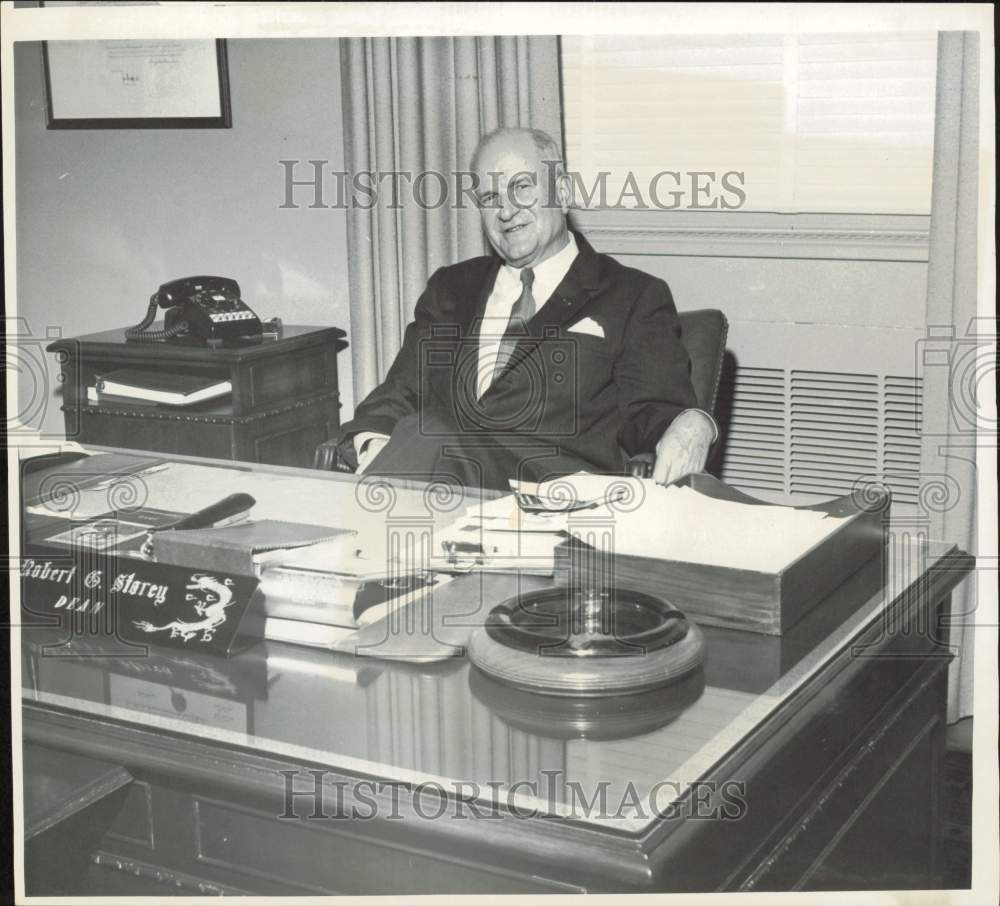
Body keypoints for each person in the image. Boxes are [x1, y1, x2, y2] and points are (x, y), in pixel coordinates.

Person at [329, 127, 716, 492]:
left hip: (555, 502)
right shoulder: (451, 289)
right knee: (423, 436)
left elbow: (656, 410)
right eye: (490, 198)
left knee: (428, 436)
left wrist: (694, 422)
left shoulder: (632, 295)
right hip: (445, 494)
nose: (506, 211)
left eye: (522, 187)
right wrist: (372, 443)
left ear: (562, 192)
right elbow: (399, 392)